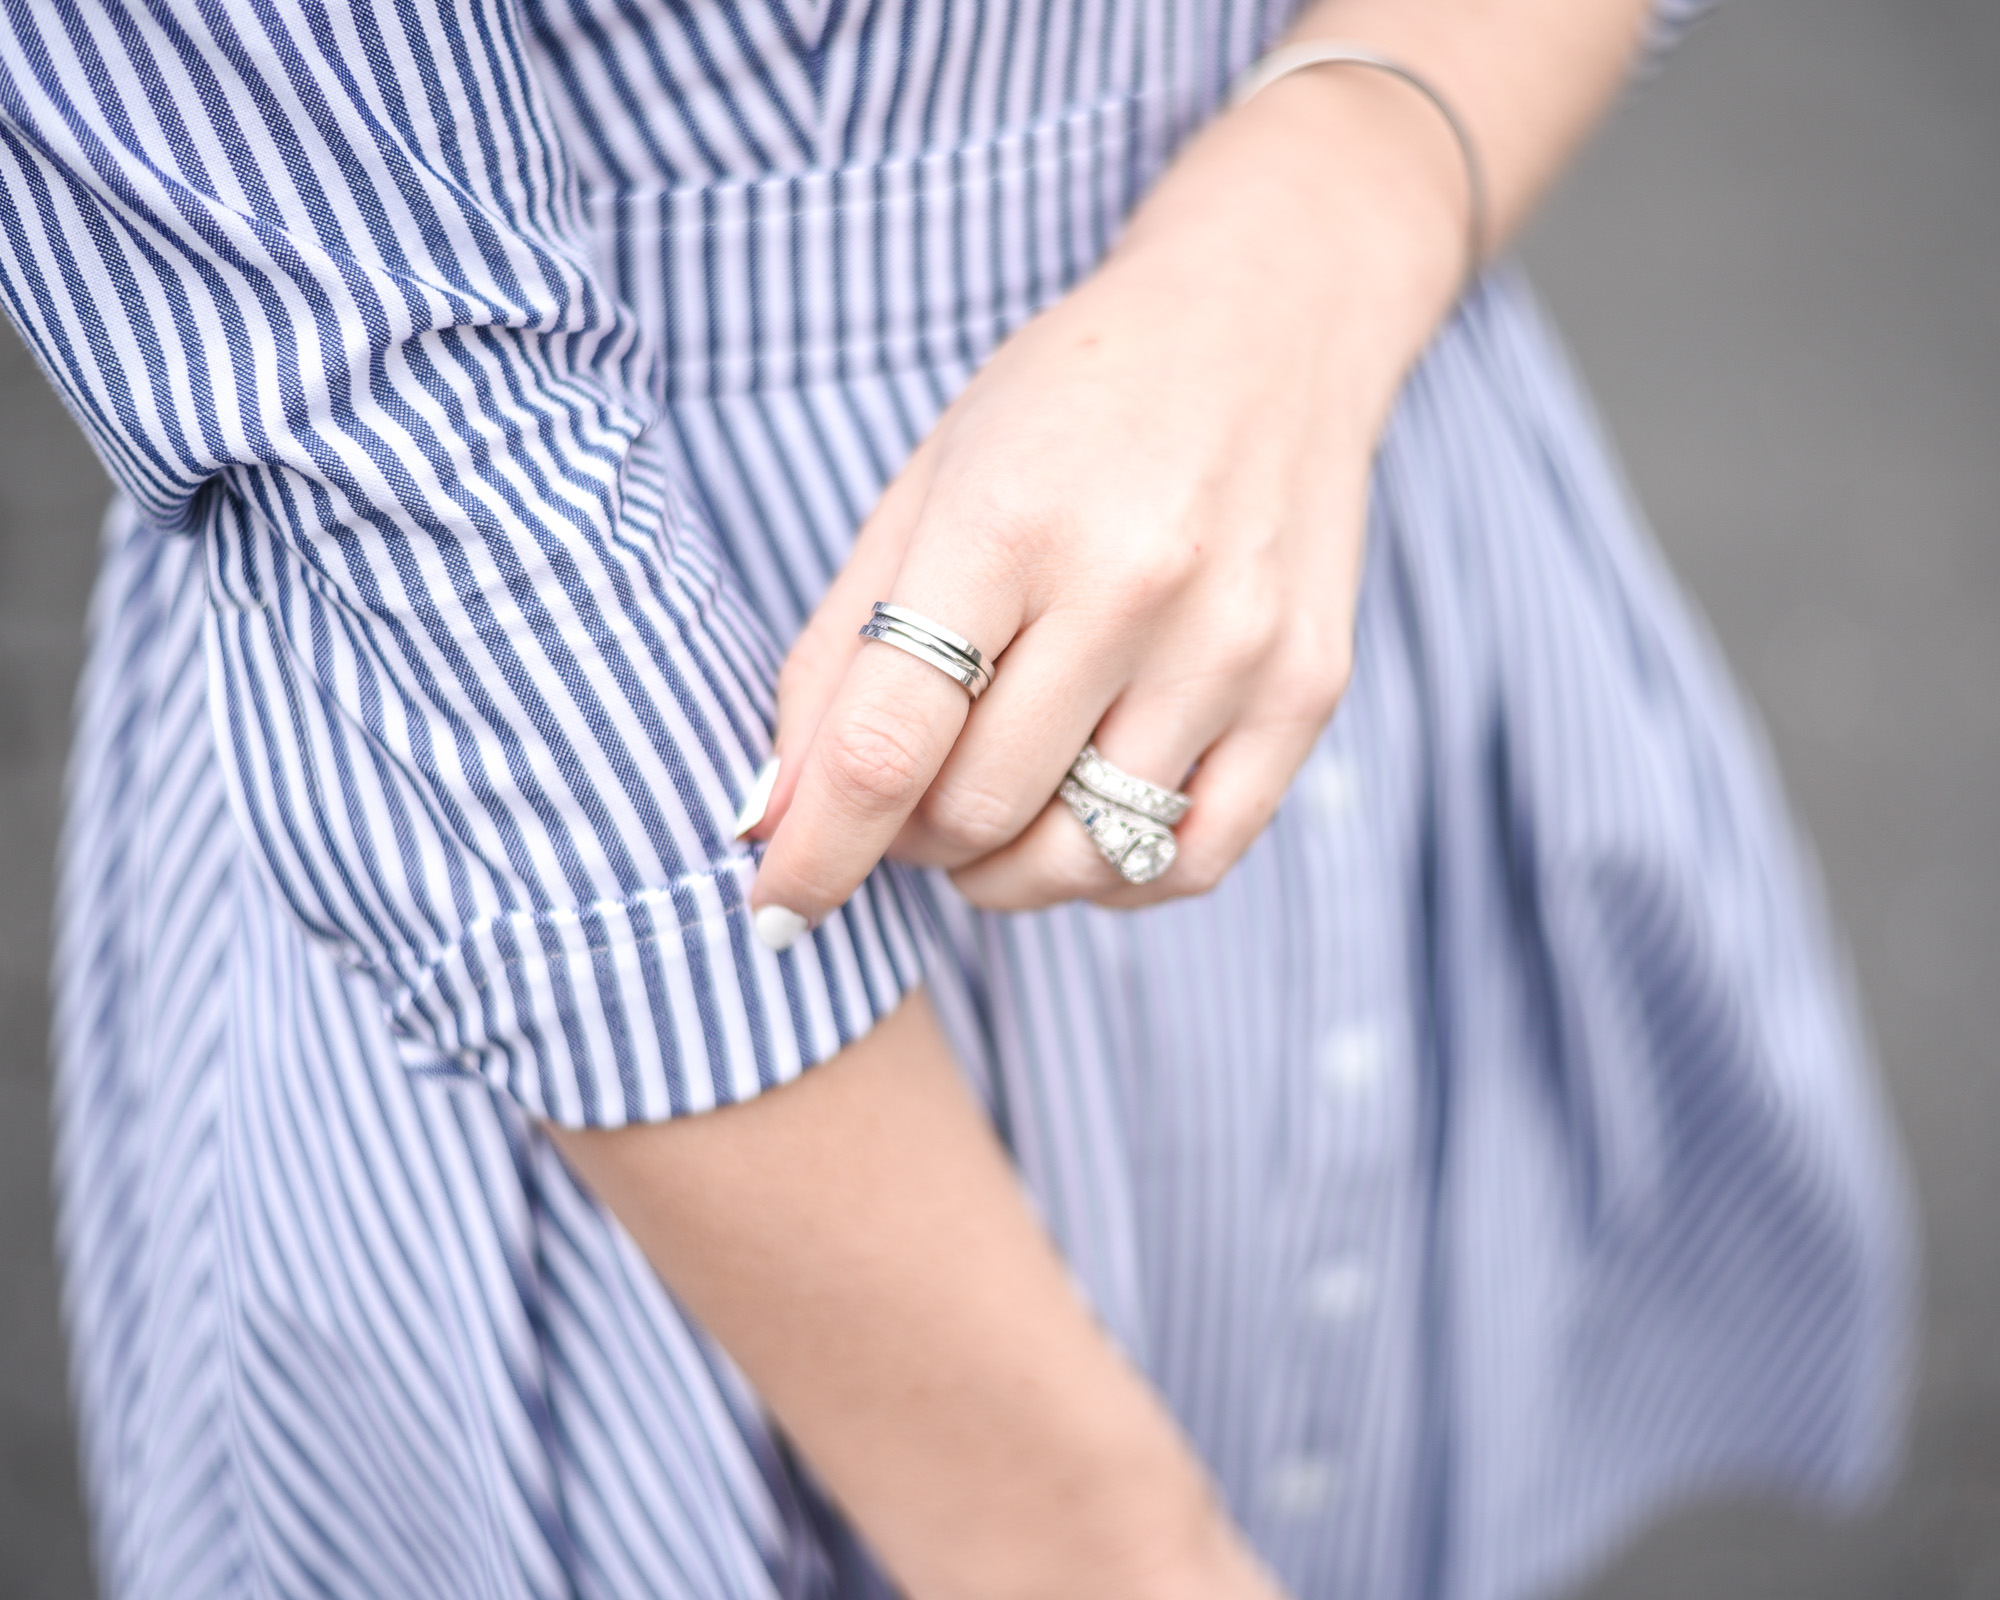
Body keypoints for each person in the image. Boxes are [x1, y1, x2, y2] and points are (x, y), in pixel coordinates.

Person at [4, 0, 1909, 1594]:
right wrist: (1093, 1547)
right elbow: (382, 438)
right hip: (603, 877)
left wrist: (1326, 203)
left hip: (1341, 561)